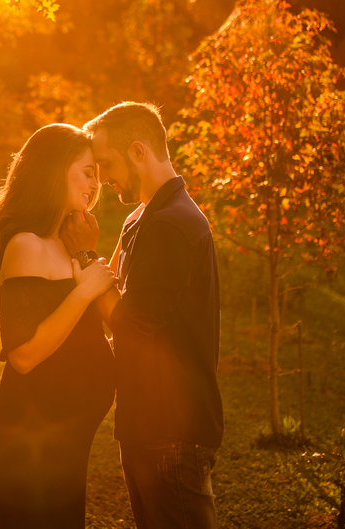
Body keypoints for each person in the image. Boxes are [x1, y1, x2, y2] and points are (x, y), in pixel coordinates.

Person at [62, 102, 223, 529]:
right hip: (147, 423)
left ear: (138, 151)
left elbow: (129, 322)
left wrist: (84, 254)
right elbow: (120, 296)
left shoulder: (170, 224)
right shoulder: (143, 217)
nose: (103, 178)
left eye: (106, 164)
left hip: (172, 429)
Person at [0, 123, 118, 528]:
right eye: (87, 172)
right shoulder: (27, 245)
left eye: (97, 174)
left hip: (66, 437)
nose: (97, 183)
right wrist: (84, 292)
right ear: (55, 171)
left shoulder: (67, 243)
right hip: (26, 441)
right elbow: (23, 355)